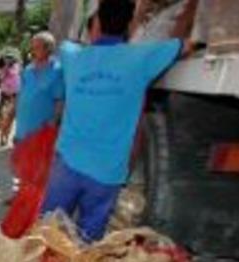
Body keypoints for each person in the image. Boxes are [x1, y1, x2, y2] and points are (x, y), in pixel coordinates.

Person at [41, 0, 184, 242]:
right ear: (129, 25)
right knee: (88, 242)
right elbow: (182, 45)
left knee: (48, 232)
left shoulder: (73, 56)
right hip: (107, 173)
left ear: (97, 22)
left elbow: (63, 43)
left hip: (67, 165)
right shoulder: (141, 58)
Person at [13, 32, 64, 146]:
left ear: (48, 49)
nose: (32, 50)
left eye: (36, 47)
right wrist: (13, 113)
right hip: (22, 131)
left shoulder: (57, 71)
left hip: (41, 133)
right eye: (32, 47)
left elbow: (59, 100)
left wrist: (54, 121)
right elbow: (20, 94)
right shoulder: (28, 69)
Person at [0, 55, 22, 146]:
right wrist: (4, 71)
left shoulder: (15, 68)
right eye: (6, 59)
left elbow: (15, 76)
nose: (7, 61)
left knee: (9, 118)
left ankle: (5, 137)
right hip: (4, 95)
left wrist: (7, 70)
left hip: (14, 96)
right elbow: (0, 79)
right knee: (2, 117)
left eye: (9, 59)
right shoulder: (2, 70)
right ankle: (2, 136)